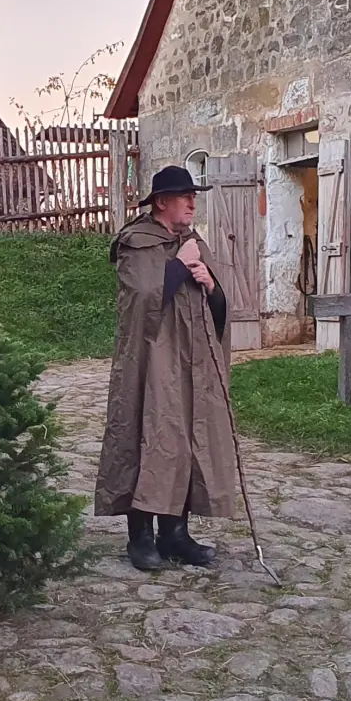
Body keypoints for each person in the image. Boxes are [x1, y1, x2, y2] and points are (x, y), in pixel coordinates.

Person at [96, 165, 241, 571]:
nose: (193, 202)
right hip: (151, 361)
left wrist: (210, 285)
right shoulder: (135, 242)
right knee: (147, 435)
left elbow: (218, 308)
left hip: (191, 363)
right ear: (162, 202)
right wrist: (179, 265)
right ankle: (140, 537)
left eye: (194, 196)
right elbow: (143, 299)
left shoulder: (192, 242)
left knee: (186, 441)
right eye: (184, 196)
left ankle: (175, 534)